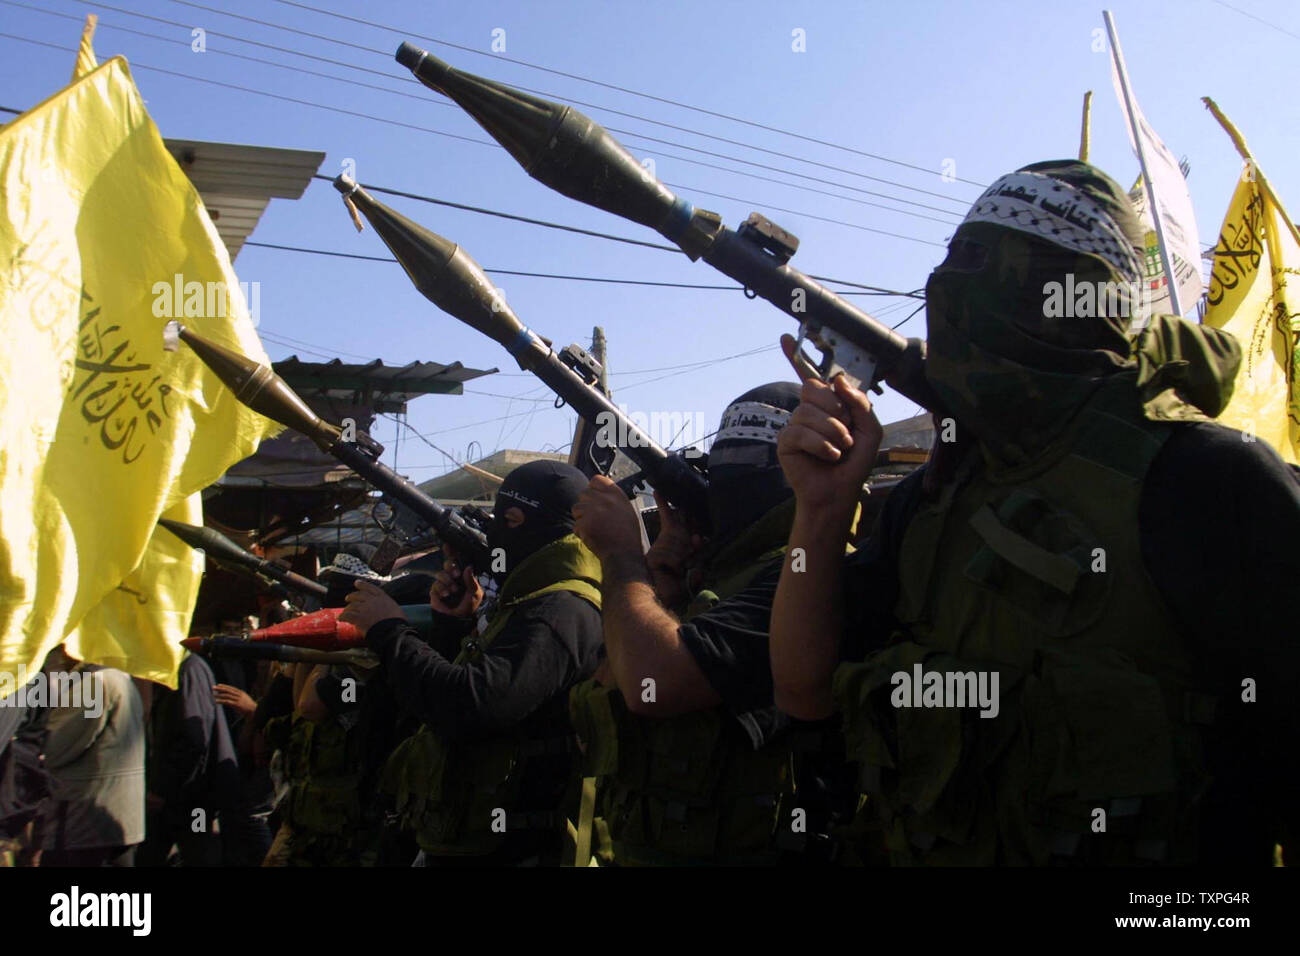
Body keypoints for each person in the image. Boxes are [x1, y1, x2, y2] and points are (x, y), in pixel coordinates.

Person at [770, 159, 1300, 866]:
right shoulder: (937, 497)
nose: (956, 296)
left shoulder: (1207, 481)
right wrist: (822, 511)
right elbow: (804, 694)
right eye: (958, 262)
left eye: (994, 269)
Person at [569, 383, 847, 865]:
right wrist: (662, 577)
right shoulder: (725, 572)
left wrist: (621, 557)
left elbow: (652, 683)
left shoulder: (809, 573)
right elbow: (610, 678)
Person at [340, 460, 603, 866]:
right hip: (474, 837)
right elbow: (443, 702)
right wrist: (450, 626)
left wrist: (390, 631)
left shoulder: (560, 609)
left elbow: (472, 705)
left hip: (515, 849)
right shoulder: (532, 602)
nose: (495, 530)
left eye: (508, 519)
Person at [40, 648, 146, 867]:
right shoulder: (117, 676)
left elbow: (59, 745)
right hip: (115, 813)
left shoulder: (94, 684)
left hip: (86, 815)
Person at [138, 651, 239, 866]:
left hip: (194, 800)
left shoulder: (189, 670)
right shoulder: (179, 671)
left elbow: (194, 740)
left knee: (199, 849)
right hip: (181, 796)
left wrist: (162, 789)